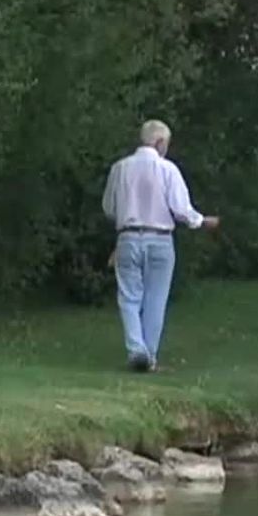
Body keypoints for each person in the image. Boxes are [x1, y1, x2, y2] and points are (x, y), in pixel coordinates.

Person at [102, 119, 219, 372]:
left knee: (129, 297)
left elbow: (109, 209)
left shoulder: (119, 168)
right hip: (160, 239)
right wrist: (202, 221)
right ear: (160, 142)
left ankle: (136, 350)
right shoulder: (168, 169)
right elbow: (180, 209)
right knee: (156, 298)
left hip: (128, 237)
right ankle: (149, 356)